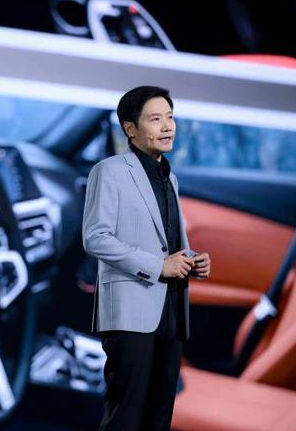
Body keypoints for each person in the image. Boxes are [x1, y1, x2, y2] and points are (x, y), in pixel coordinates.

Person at [82, 86, 211, 430]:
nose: (168, 126)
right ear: (130, 129)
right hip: (130, 312)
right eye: (156, 119)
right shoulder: (109, 171)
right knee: (126, 417)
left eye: (170, 117)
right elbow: (95, 238)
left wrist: (193, 260)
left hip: (172, 310)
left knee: (159, 417)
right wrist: (159, 267)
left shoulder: (171, 178)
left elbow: (167, 243)